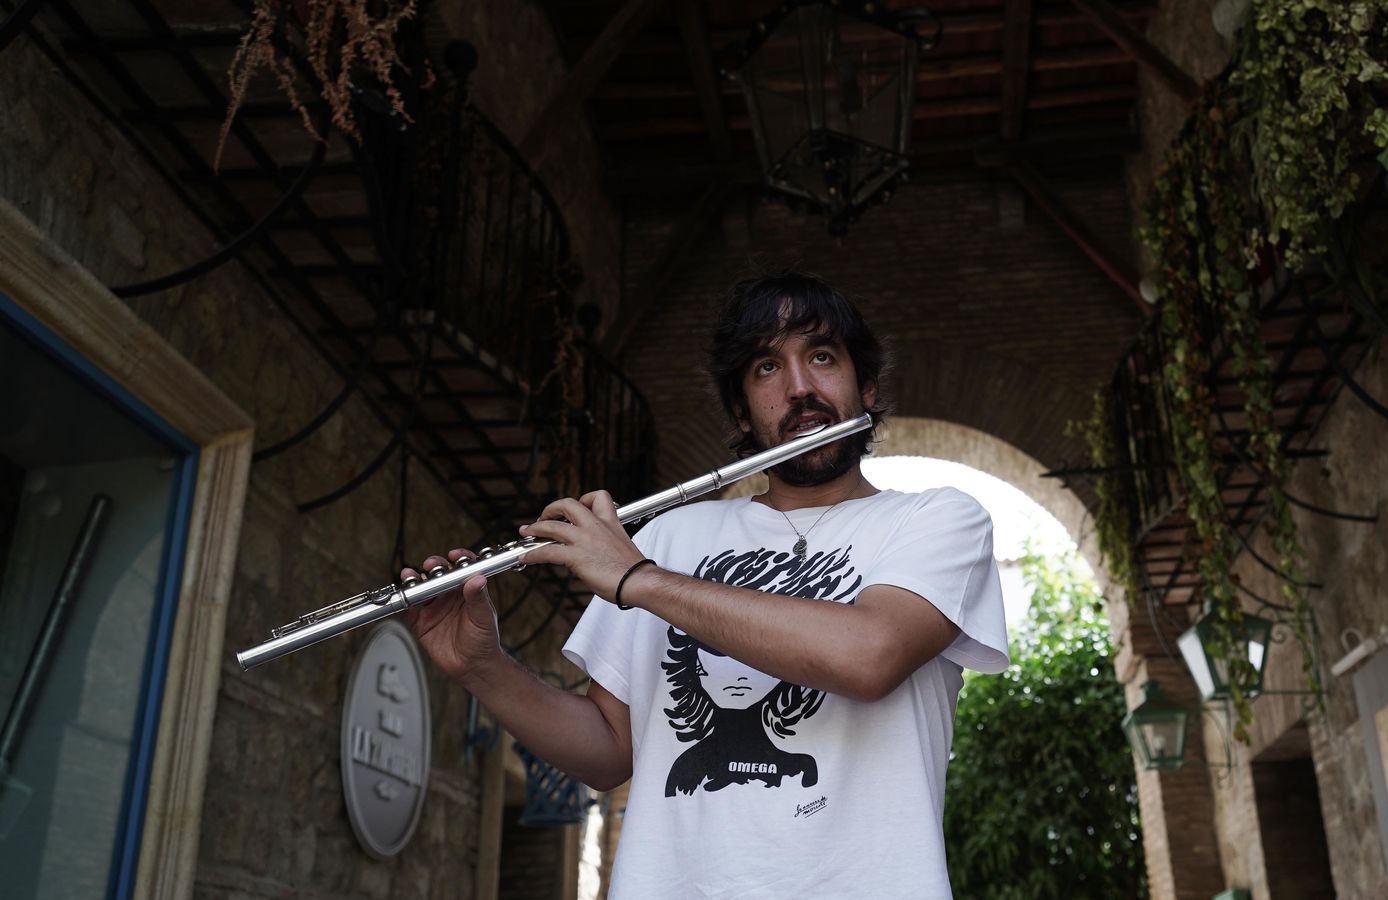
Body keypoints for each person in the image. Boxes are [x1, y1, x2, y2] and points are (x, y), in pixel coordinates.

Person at [402, 270, 1008, 898]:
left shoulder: (937, 520)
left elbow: (869, 654)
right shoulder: (672, 536)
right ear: (742, 413)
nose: (800, 387)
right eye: (767, 368)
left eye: (822, 357)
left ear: (867, 387)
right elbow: (609, 751)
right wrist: (483, 667)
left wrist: (638, 578)